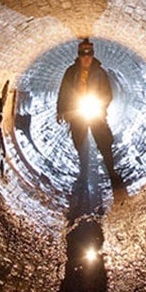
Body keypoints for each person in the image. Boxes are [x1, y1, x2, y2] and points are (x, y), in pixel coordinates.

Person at [57, 38, 123, 189]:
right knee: (79, 142)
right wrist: (60, 110)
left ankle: (112, 173)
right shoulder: (71, 72)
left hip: (96, 113)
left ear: (93, 55)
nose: (86, 57)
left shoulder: (100, 72)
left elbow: (108, 93)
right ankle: (83, 173)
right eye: (83, 54)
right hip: (77, 112)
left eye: (89, 54)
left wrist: (102, 107)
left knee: (104, 142)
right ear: (79, 55)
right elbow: (64, 91)